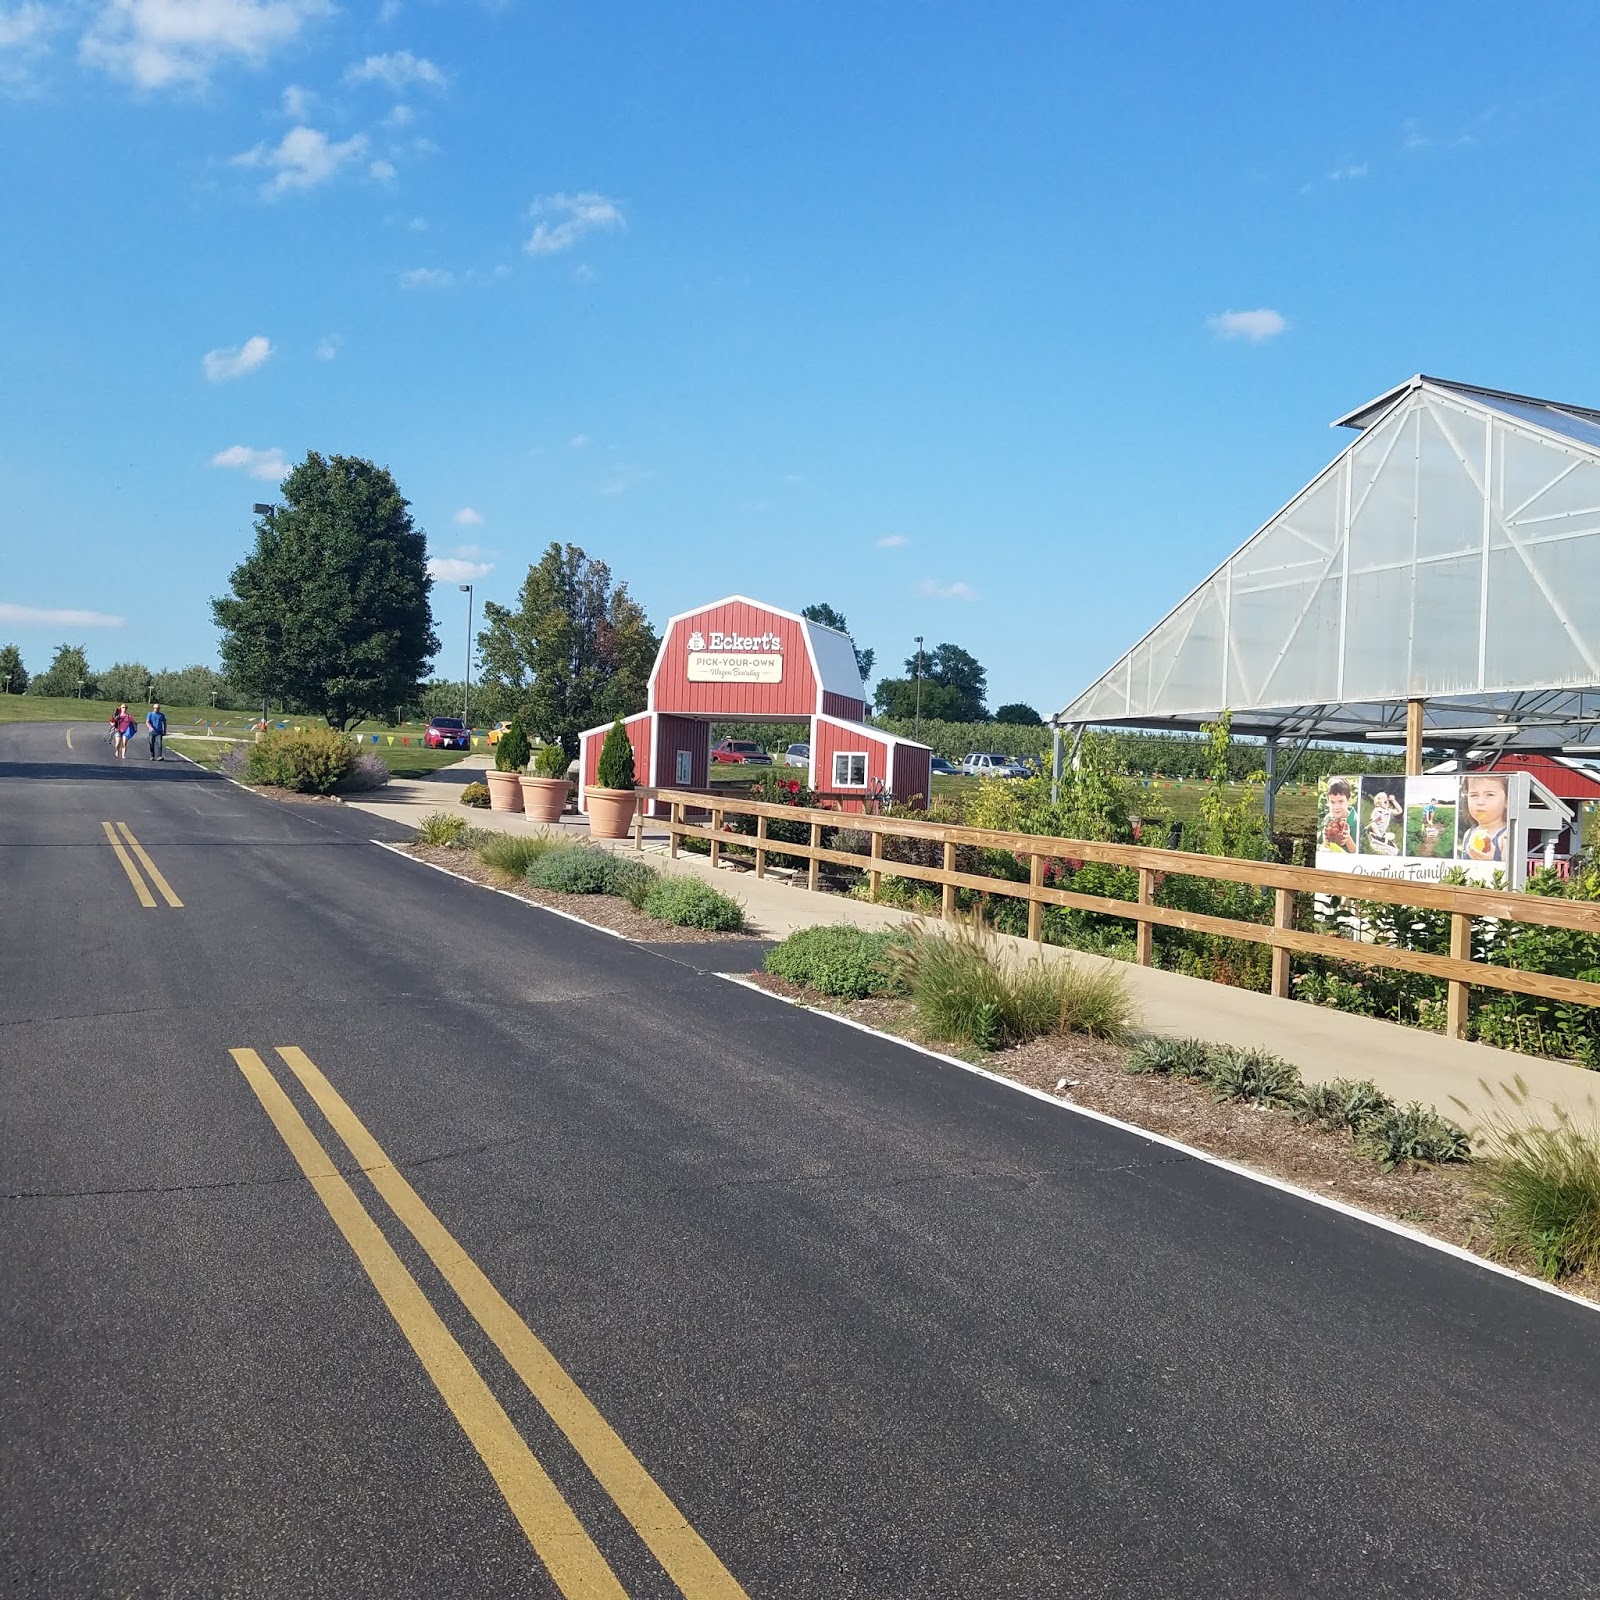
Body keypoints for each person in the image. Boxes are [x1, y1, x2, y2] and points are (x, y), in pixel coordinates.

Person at [1461, 773, 1510, 862]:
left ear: (1506, 800)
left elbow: (1510, 873)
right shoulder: (1468, 834)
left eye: (1490, 795)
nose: (1480, 802)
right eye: (1474, 795)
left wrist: (1490, 862)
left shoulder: (1506, 836)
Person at [1321, 778, 1357, 853]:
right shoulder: (1328, 818)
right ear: (1328, 801)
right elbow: (1327, 845)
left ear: (1349, 800)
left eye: (1341, 801)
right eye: (1332, 802)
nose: (1336, 807)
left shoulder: (1356, 821)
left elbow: (1358, 852)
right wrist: (1326, 837)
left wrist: (1348, 840)